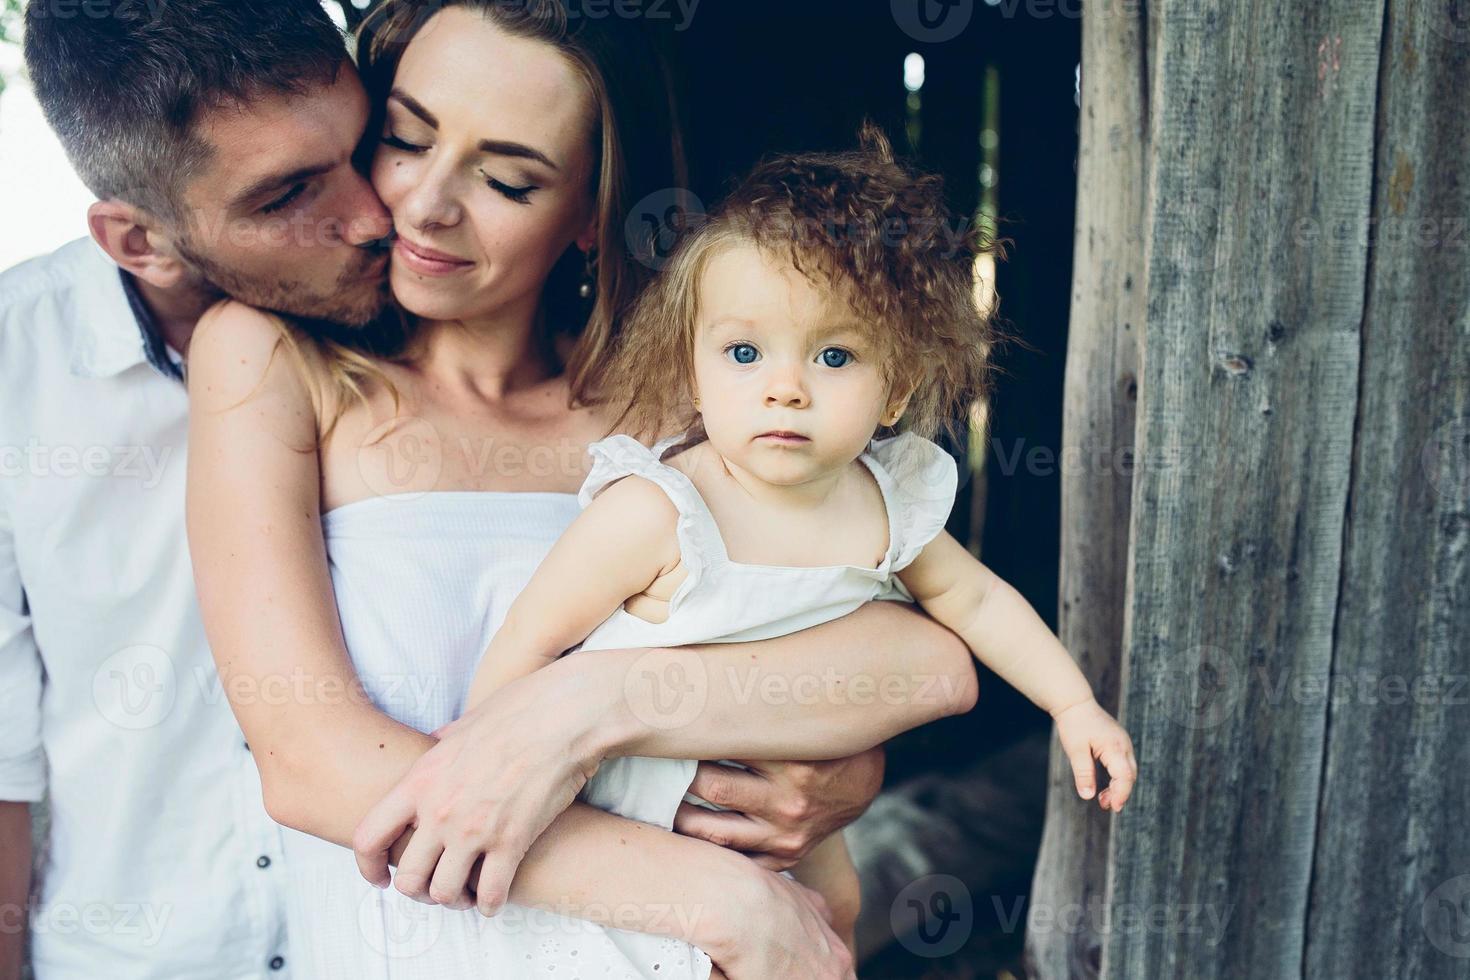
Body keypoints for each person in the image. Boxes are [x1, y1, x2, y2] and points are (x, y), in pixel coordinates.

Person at [6, 1, 969, 976]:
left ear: (593, 215)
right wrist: (720, 896)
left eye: (509, 178)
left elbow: (911, 648)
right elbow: (310, 760)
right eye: (405, 138)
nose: (416, 206)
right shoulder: (267, 361)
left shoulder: (684, 402)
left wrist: (595, 707)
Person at [461, 127, 1139, 955]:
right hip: (631, 802)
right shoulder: (659, 509)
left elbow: (980, 600)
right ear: (694, 371)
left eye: (835, 355)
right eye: (744, 352)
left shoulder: (886, 506)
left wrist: (1070, 704)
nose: (785, 388)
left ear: (896, 390)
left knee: (837, 916)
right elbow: (529, 641)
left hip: (784, 800)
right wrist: (487, 770)